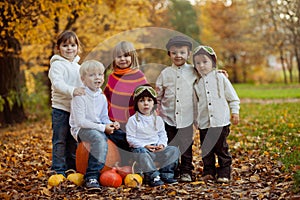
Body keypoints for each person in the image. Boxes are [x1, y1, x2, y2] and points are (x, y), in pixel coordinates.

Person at [69, 60, 125, 190]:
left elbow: (103, 117)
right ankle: (91, 176)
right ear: (83, 79)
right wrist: (102, 128)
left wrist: (111, 124)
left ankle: (128, 169)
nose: (97, 78)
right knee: (99, 139)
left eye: (100, 74)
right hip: (82, 130)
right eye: (92, 75)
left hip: (99, 126)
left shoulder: (101, 96)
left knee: (123, 136)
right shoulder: (80, 96)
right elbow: (80, 122)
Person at [193, 45, 240, 183]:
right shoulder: (196, 82)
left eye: (205, 62)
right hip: (204, 123)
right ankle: (209, 172)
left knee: (221, 148)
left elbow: (233, 97)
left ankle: (224, 172)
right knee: (207, 149)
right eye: (198, 63)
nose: (202, 65)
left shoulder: (220, 78)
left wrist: (235, 112)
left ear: (213, 62)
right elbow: (195, 104)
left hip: (220, 122)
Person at [156, 35, 198, 182]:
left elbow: (208, 76)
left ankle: (186, 170)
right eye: (174, 52)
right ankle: (171, 170)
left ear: (188, 54)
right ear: (169, 54)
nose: (178, 55)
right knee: (171, 145)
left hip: (187, 117)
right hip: (168, 117)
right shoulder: (165, 73)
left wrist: (219, 72)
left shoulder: (194, 72)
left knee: (186, 145)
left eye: (182, 52)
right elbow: (158, 95)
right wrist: (157, 113)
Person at [126, 84, 180, 187]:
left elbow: (162, 134)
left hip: (157, 149)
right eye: (141, 101)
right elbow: (130, 139)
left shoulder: (157, 119)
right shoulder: (133, 120)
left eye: (149, 100)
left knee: (173, 150)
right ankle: (153, 176)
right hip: (142, 149)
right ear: (136, 104)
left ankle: (166, 174)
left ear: (153, 104)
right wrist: (144, 145)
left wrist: (161, 145)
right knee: (141, 153)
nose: (146, 103)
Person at [48, 30, 85, 177]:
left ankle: (72, 167)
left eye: (72, 45)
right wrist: (73, 90)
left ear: (77, 47)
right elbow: (58, 84)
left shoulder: (79, 67)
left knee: (72, 140)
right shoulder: (56, 66)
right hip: (61, 109)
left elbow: (84, 85)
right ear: (58, 48)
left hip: (75, 110)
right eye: (65, 45)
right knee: (60, 140)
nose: (69, 48)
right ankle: (58, 169)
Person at [104, 41, 147, 131]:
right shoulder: (112, 77)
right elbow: (106, 97)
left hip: (133, 122)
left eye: (126, 56)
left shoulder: (139, 76)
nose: (122, 59)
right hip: (114, 122)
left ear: (132, 57)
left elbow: (146, 98)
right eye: (119, 56)